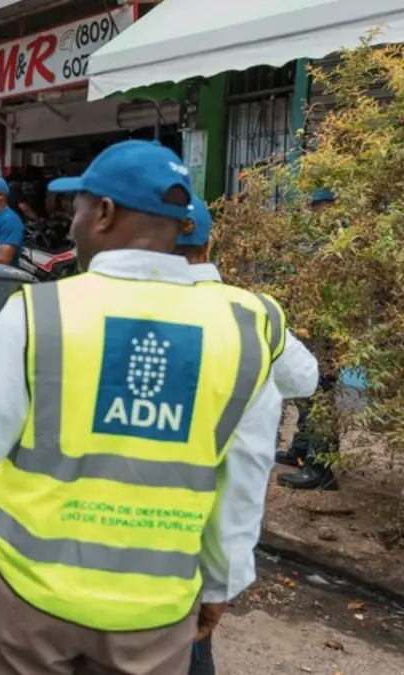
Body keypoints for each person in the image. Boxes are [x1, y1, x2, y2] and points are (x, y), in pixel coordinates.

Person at [0, 140, 301, 675]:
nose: (71, 225)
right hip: (155, 617)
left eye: (80, 208)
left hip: (28, 605)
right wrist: (222, 581)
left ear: (107, 214)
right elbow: (246, 475)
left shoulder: (43, 313)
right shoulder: (245, 329)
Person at [174, 195, 320, 675]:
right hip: (195, 555)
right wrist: (220, 584)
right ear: (209, 242)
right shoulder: (256, 315)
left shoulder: (112, 309)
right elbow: (305, 380)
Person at [277, 187, 340, 490]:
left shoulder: (341, 246)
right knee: (305, 390)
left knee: (320, 395)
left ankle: (321, 469)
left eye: (320, 207)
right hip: (310, 328)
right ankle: (301, 452)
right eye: (314, 207)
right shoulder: (316, 242)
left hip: (328, 331)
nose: (316, 213)